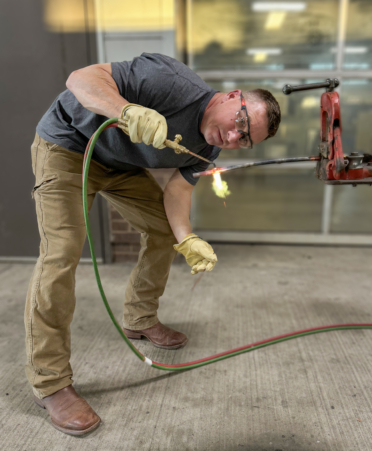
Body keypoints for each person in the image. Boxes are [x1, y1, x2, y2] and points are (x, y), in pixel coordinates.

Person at [25, 52, 281, 435]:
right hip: (67, 147)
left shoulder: (208, 150)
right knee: (62, 253)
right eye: (240, 123)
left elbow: (176, 194)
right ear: (231, 96)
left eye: (244, 140)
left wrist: (187, 238)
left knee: (162, 230)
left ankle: (140, 319)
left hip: (118, 166)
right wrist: (125, 110)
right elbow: (81, 79)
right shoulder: (170, 80)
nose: (232, 137)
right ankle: (50, 382)